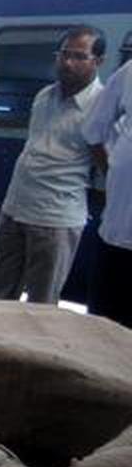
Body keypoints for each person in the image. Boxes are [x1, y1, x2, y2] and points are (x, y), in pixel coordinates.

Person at [0, 27, 105, 305]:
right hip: (15, 208)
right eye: (64, 55)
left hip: (56, 219)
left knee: (42, 304)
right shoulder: (44, 96)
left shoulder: (102, 106)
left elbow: (107, 164)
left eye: (78, 56)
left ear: (98, 61)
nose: (68, 62)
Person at [83, 57, 132, 327]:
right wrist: (113, 173)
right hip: (117, 235)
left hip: (117, 235)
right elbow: (94, 130)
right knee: (104, 331)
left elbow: (94, 129)